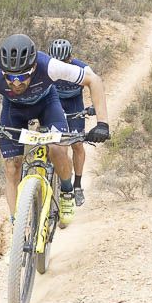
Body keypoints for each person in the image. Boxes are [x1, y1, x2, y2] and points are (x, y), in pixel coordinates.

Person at [0, 33, 110, 226]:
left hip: (47, 104)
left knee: (58, 149)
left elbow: (94, 80)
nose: (16, 82)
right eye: (10, 77)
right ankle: (16, 223)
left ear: (34, 67)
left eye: (22, 76)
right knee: (12, 167)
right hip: (14, 109)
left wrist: (102, 123)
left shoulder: (49, 66)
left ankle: (67, 192)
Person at [48, 38, 92, 206]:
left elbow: (94, 85)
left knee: (77, 144)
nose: (60, 66)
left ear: (70, 57)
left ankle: (78, 185)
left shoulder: (81, 68)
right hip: (53, 103)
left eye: (64, 62)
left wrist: (94, 107)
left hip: (74, 104)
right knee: (52, 142)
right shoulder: (47, 67)